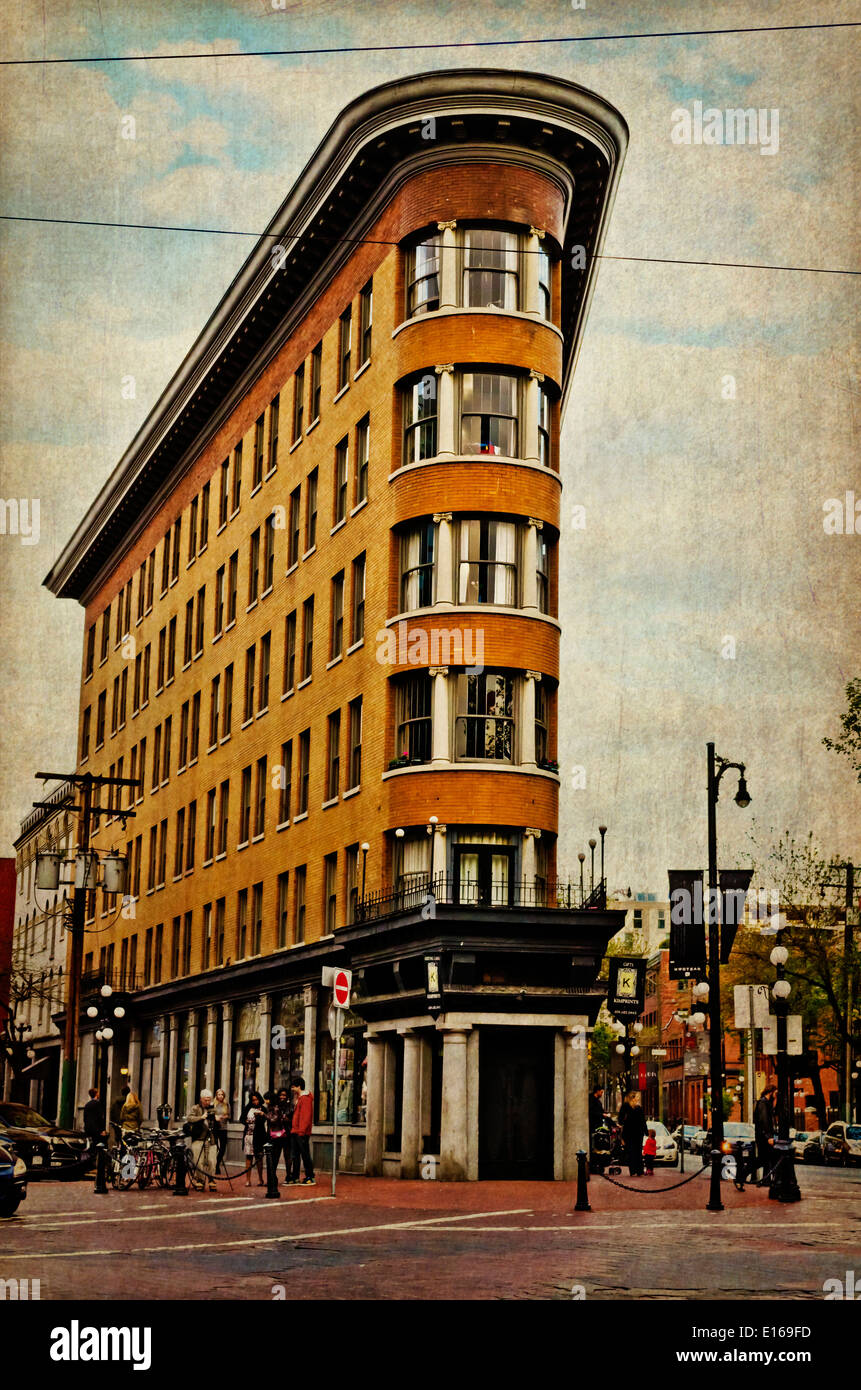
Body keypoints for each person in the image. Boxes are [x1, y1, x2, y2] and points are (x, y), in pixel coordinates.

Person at [186, 1089, 219, 1191]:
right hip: (198, 1138)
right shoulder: (195, 1108)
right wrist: (201, 1117)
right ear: (201, 1099)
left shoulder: (213, 1109)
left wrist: (216, 1118)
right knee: (198, 1160)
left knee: (212, 1160)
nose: (207, 1102)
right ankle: (200, 1180)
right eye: (205, 1100)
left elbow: (219, 1121)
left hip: (211, 1138)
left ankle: (211, 1179)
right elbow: (189, 1118)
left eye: (209, 1100)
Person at [288, 1076, 315, 1185]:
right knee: (295, 1155)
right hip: (296, 1131)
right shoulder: (299, 1098)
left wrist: (302, 1131)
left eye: (293, 1087)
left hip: (301, 1132)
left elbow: (306, 1116)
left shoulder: (305, 1099)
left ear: (299, 1086)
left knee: (305, 1155)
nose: (292, 1089)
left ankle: (309, 1176)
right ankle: (295, 1176)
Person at [241, 1090, 268, 1187]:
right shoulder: (247, 1108)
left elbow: (266, 1119)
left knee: (259, 1158)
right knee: (248, 1158)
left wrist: (259, 1115)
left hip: (259, 1136)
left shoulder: (263, 1109)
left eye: (256, 1100)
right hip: (248, 1136)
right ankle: (248, 1180)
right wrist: (246, 1121)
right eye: (253, 1100)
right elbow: (241, 1119)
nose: (255, 1102)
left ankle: (260, 1179)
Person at [618, 1090, 647, 1177]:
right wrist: (646, 1131)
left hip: (629, 1132)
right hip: (638, 1133)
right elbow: (643, 1121)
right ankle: (639, 1171)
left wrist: (623, 1122)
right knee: (638, 1151)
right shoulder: (638, 1108)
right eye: (637, 1098)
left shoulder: (625, 1107)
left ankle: (633, 1170)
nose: (638, 1099)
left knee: (631, 1152)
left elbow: (620, 1119)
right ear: (633, 1098)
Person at [753, 1083, 777, 1186]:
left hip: (764, 1136)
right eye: (775, 1093)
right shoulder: (763, 1103)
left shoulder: (767, 1103)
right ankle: (742, 1173)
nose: (776, 1095)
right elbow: (764, 1121)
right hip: (763, 1137)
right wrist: (768, 1137)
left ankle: (766, 1180)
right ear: (771, 1092)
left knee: (768, 1158)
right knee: (762, 1159)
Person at [267, 1093, 289, 1180]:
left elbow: (273, 1120)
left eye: (267, 1099)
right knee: (274, 1157)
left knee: (275, 1157)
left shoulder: (275, 1108)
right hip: (275, 1135)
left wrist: (264, 1115)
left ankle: (273, 1177)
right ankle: (272, 1177)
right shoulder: (271, 1107)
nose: (266, 1101)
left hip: (277, 1136)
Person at [213, 1088, 231, 1166]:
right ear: (216, 1095)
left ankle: (217, 1163)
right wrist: (215, 1117)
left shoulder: (226, 1104)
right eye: (219, 1094)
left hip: (223, 1128)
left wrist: (224, 1117)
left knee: (223, 1148)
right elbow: (210, 1115)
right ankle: (213, 1164)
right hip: (215, 1128)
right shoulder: (213, 1104)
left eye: (222, 1094)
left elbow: (229, 1116)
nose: (220, 1096)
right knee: (214, 1147)